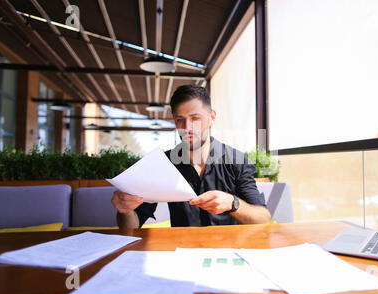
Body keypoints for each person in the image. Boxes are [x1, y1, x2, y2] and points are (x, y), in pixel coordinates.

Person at [112, 84, 271, 228]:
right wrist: (125, 210)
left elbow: (263, 218)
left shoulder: (237, 161)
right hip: (182, 251)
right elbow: (130, 227)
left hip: (229, 251)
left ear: (211, 118)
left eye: (195, 118)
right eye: (180, 120)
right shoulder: (163, 164)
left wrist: (233, 203)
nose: (187, 128)